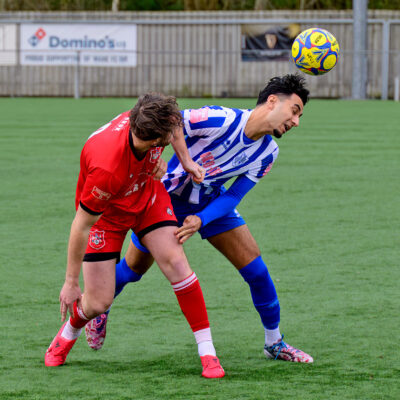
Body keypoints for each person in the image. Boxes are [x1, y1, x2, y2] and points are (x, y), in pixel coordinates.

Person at [86, 74, 313, 363]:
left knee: (257, 271)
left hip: (211, 204)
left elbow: (234, 195)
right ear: (272, 101)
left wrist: (201, 219)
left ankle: (274, 342)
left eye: (299, 116)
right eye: (294, 111)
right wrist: (170, 158)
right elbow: (171, 121)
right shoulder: (221, 119)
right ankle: (98, 308)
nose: (296, 121)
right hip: (165, 200)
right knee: (133, 270)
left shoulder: (269, 151)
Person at [44, 92, 225, 379]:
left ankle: (208, 353)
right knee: (98, 302)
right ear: (155, 141)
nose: (174, 134)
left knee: (177, 263)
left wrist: (186, 161)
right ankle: (68, 332)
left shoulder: (146, 117)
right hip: (107, 217)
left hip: (147, 197)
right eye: (167, 137)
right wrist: (70, 282)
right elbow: (81, 225)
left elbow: (174, 124)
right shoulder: (107, 169)